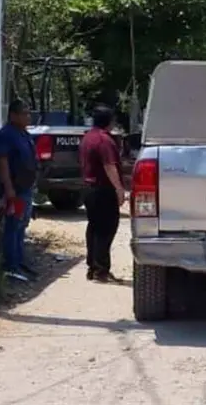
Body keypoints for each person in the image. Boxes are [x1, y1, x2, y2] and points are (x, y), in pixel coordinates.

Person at [79, 104, 126, 282]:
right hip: (102, 189)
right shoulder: (104, 140)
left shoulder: (88, 138)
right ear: (109, 121)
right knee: (106, 229)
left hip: (89, 188)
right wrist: (119, 189)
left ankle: (92, 267)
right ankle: (101, 269)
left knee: (94, 228)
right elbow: (109, 166)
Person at [0, 99, 37, 282]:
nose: (28, 116)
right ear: (13, 115)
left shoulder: (23, 134)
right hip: (15, 190)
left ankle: (19, 262)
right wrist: (9, 189)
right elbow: (2, 163)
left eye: (29, 113)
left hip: (26, 189)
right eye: (24, 113)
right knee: (13, 226)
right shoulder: (6, 135)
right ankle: (10, 266)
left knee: (21, 226)